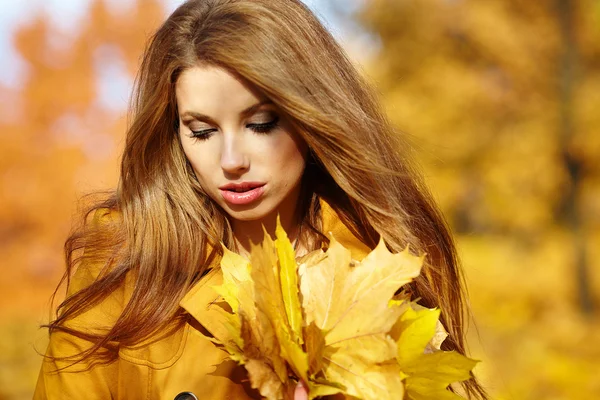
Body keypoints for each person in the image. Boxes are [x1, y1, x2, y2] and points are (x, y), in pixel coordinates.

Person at [34, 0, 487, 399]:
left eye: (261, 124)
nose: (231, 160)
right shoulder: (126, 261)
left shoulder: (380, 266)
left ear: (311, 117)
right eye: (202, 131)